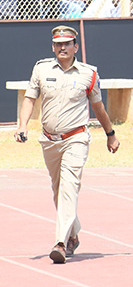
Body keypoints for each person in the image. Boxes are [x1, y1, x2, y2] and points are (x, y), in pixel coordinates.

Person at [14, 25, 119, 263]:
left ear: (76, 47)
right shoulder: (41, 69)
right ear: (53, 46)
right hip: (50, 140)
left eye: (67, 43)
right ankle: (73, 232)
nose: (63, 47)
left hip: (76, 138)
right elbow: (29, 98)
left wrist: (110, 133)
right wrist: (22, 126)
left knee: (69, 187)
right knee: (58, 190)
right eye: (58, 44)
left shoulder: (88, 73)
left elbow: (98, 107)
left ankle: (60, 242)